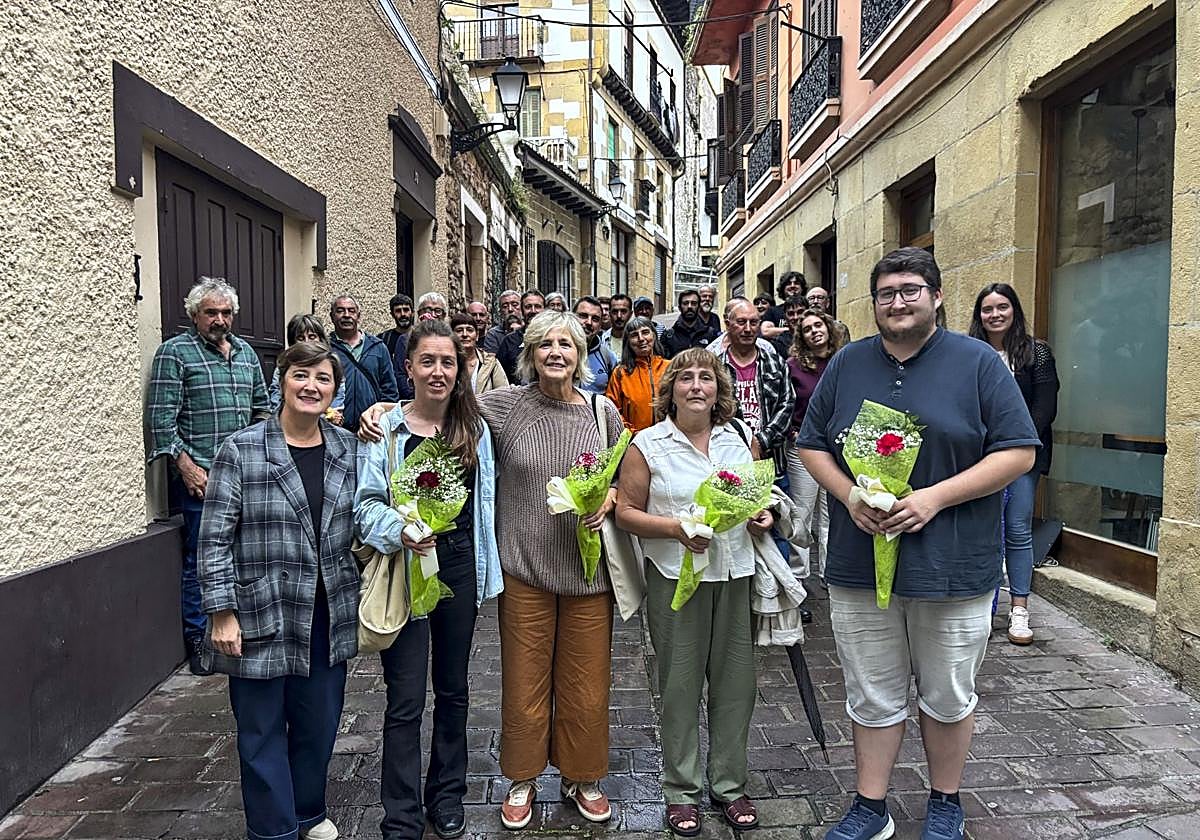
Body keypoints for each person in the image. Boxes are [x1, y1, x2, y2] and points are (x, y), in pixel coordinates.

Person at [796, 248, 1039, 840]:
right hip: (860, 562)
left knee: (949, 692)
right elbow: (812, 444)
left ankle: (945, 801)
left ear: (936, 297)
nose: (898, 302)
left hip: (952, 563)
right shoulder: (848, 362)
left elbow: (1017, 452)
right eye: (886, 293)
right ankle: (870, 806)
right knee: (871, 691)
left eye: (910, 290)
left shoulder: (977, 362)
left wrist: (934, 498)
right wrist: (850, 495)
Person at [465, 311, 624, 830]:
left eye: (566, 344)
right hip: (525, 570)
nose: (556, 352)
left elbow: (623, 474)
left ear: (581, 354)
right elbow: (445, 408)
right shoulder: (508, 405)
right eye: (545, 344)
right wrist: (386, 408)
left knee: (586, 683)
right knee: (524, 681)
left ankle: (583, 777)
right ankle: (523, 777)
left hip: (588, 573)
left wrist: (612, 496)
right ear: (530, 355)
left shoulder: (602, 412)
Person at [198, 341, 358, 840]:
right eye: (300, 375)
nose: (311, 386)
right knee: (261, 727)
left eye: (323, 378)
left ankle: (307, 810)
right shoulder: (241, 449)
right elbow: (214, 536)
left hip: (326, 609)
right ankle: (273, 829)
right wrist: (221, 612)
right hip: (260, 609)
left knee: (319, 722)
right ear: (282, 381)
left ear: (335, 389)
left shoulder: (348, 449)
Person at [354, 320, 503, 840]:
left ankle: (447, 796)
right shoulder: (385, 430)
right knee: (405, 696)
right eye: (428, 361)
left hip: (458, 566)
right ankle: (400, 813)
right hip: (407, 565)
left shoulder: (475, 430)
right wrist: (400, 529)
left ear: (461, 369)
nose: (438, 371)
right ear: (409, 367)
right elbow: (364, 506)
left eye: (448, 362)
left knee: (454, 688)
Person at [616, 348, 771, 836]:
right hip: (675, 579)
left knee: (736, 686)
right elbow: (626, 513)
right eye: (686, 378)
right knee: (680, 687)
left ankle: (729, 784)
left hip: (734, 573)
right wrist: (674, 529)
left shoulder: (740, 438)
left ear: (719, 388)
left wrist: (761, 516)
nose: (697, 386)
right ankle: (681, 790)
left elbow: (757, 498)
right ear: (671, 390)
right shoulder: (647, 445)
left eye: (707, 377)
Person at [147, 276, 270, 675]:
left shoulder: (246, 353)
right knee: (203, 560)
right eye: (211, 312)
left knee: (246, 554)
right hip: (203, 479)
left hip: (246, 475)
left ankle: (240, 630)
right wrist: (186, 468)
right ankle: (200, 642)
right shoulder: (175, 354)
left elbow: (262, 409)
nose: (219, 320)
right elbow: (160, 421)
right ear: (194, 315)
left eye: (226, 312)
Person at [969, 282, 1059, 645]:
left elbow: (1045, 407)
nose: (995, 315)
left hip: (1023, 455)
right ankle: (982, 607)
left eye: (1002, 307)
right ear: (979, 316)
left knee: (1018, 529)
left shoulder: (1036, 353)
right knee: (983, 529)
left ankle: (1019, 609)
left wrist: (1016, 444)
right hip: (978, 457)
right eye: (987, 309)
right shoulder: (969, 353)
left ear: (1014, 310)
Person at [785, 309, 847, 582]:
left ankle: (828, 572)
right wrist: (792, 431)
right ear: (802, 336)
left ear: (828, 327)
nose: (814, 331)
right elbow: (786, 403)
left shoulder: (843, 361)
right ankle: (798, 575)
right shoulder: (793, 366)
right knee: (802, 511)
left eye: (818, 325)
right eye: (807, 329)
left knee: (831, 513)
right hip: (804, 447)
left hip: (837, 448)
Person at [711, 300, 794, 465]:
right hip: (727, 459)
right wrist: (742, 442)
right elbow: (711, 412)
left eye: (754, 322)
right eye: (741, 322)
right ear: (728, 325)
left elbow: (787, 404)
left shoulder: (775, 362)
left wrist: (761, 441)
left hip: (772, 458)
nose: (748, 329)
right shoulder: (715, 367)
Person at [330, 295, 400, 429]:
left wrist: (381, 421)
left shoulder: (378, 348)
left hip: (371, 427)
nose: (346, 315)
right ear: (332, 316)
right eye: (340, 311)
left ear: (358, 316)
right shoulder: (325, 349)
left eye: (351, 311)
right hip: (335, 428)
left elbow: (390, 391)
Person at [268, 314, 346, 423]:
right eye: (300, 338)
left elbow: (335, 408)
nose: (307, 341)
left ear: (321, 339)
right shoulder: (284, 366)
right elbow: (276, 402)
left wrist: (329, 416)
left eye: (312, 337)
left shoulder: (331, 365)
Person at [606, 316, 669, 434]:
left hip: (667, 438)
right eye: (634, 335)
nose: (641, 338)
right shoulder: (620, 373)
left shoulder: (670, 368)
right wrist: (633, 433)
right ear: (628, 342)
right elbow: (612, 411)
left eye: (645, 332)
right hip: (634, 439)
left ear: (654, 335)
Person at [450, 311, 509, 394]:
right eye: (459, 330)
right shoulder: (446, 363)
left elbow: (504, 395)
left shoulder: (491, 363)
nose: (465, 334)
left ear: (477, 335)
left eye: (470, 330)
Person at [496, 290, 546, 384]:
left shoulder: (553, 338)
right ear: (522, 311)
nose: (533, 311)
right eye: (528, 307)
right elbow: (499, 374)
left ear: (544, 310)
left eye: (537, 306)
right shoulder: (510, 341)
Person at [574, 295, 618, 395]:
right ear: (572, 317)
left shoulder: (608, 357)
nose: (589, 322)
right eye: (583, 316)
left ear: (600, 325)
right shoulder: (559, 351)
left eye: (595, 319)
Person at [661, 288, 720, 358]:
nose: (689, 306)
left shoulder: (711, 334)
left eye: (694, 303)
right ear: (679, 308)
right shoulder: (668, 337)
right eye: (685, 303)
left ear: (698, 307)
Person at [761, 271, 805, 339]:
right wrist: (793, 329)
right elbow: (765, 331)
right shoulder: (773, 311)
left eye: (796, 283)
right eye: (788, 284)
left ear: (802, 288)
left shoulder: (808, 309)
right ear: (783, 288)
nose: (792, 286)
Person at [379, 294, 414, 358]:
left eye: (406, 310)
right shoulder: (383, 339)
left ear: (413, 312)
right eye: (398, 311)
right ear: (392, 314)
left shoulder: (422, 336)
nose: (403, 314)